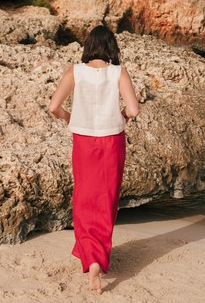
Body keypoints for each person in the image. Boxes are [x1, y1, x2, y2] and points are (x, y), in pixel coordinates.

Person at [48, 25, 139, 295]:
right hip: (112, 141)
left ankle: (91, 259)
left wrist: (68, 117)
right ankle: (98, 258)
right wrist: (122, 115)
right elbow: (133, 109)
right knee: (106, 199)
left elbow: (53, 106)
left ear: (88, 47)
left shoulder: (75, 71)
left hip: (84, 141)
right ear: (111, 47)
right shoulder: (118, 72)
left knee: (84, 198)